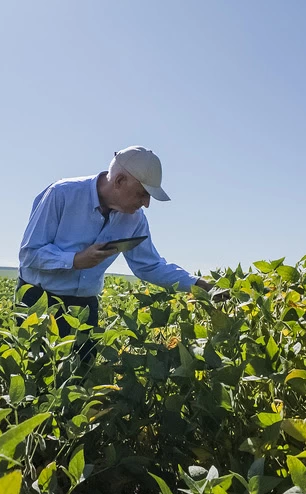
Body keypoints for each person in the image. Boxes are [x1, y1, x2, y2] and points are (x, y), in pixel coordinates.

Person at [16, 145, 213, 359]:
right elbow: (29, 253)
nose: (146, 204)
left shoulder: (135, 219)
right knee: (37, 381)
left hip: (84, 307)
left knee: (83, 383)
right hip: (39, 301)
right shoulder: (62, 193)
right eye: (143, 194)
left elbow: (150, 265)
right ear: (119, 181)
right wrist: (76, 260)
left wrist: (198, 285)